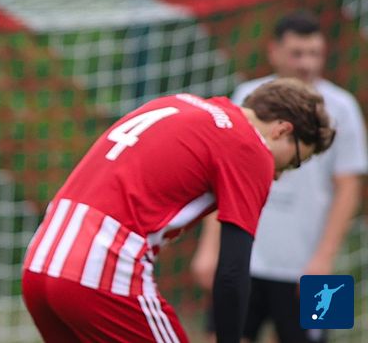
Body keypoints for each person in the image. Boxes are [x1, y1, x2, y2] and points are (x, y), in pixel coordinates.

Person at [21, 78, 335, 343]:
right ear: (282, 129)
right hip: (102, 266)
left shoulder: (181, 102)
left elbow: (348, 183)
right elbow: (233, 269)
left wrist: (324, 258)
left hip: (43, 258)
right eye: (294, 162)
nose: (280, 176)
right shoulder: (251, 147)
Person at [191, 11, 366, 343]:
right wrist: (209, 248)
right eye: (297, 53)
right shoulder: (247, 97)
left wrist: (325, 259)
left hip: (317, 268)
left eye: (314, 53)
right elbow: (223, 180)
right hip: (244, 260)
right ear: (274, 51)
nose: (307, 63)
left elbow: (349, 188)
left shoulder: (343, 107)